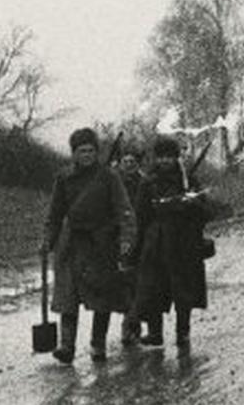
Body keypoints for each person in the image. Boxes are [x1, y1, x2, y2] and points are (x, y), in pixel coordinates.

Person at [40, 127, 137, 364]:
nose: (86, 155)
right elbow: (54, 214)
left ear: (97, 151)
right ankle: (66, 345)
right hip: (72, 244)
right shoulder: (63, 178)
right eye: (81, 151)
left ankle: (98, 344)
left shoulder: (109, 177)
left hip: (101, 244)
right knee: (68, 295)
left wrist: (126, 240)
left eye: (91, 150)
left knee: (101, 297)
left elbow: (125, 211)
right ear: (73, 153)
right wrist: (47, 239)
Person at [132, 137, 214, 348]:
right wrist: (139, 245)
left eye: (169, 156)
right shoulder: (149, 182)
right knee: (153, 288)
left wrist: (191, 204)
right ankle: (155, 333)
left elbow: (206, 212)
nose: (165, 161)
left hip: (183, 242)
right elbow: (141, 216)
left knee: (183, 290)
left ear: (176, 157)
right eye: (161, 157)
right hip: (156, 242)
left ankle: (183, 333)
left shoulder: (189, 180)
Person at [115, 148, 147, 346]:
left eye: (132, 161)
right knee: (123, 284)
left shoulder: (144, 182)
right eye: (125, 161)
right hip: (121, 238)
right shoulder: (113, 182)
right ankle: (128, 324)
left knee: (138, 284)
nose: (128, 165)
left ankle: (133, 326)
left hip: (141, 237)